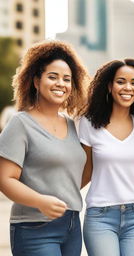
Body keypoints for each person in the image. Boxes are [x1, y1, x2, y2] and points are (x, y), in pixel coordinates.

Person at [0, 40, 89, 256]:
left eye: (66, 79)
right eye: (53, 77)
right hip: (34, 227)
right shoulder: (20, 123)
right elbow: (4, 179)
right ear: (36, 81)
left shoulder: (72, 124)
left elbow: (76, 174)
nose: (61, 83)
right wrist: (41, 201)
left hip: (71, 225)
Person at [78, 58, 134, 256]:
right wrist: (53, 193)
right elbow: (85, 171)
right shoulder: (89, 123)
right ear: (110, 86)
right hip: (101, 216)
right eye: (121, 81)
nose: (128, 88)